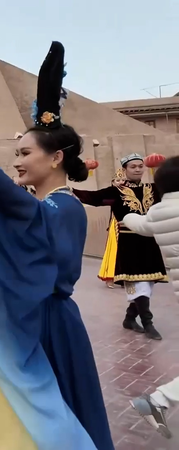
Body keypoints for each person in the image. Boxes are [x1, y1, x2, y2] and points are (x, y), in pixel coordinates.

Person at [0, 42, 113, 449]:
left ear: (55, 159)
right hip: (34, 316)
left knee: (55, 414)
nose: (16, 161)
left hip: (50, 324)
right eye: (14, 154)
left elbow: (22, 218)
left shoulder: (63, 206)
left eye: (24, 153)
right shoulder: (44, 204)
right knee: (38, 417)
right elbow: (4, 229)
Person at [73, 153, 167, 340]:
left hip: (149, 241)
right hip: (128, 243)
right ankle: (148, 323)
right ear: (124, 170)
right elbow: (93, 197)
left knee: (147, 283)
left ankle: (129, 318)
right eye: (133, 166)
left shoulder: (154, 189)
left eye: (140, 166)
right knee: (137, 283)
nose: (138, 169)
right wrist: (67, 190)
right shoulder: (115, 192)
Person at [123, 155, 179, 439]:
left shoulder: (158, 212)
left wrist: (127, 216)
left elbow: (139, 223)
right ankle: (158, 400)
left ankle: (159, 400)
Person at [97, 170, 124, 289]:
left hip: (130, 224)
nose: (121, 182)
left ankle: (125, 277)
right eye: (118, 180)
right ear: (113, 182)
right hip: (116, 224)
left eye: (123, 180)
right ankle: (110, 278)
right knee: (114, 250)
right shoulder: (111, 193)